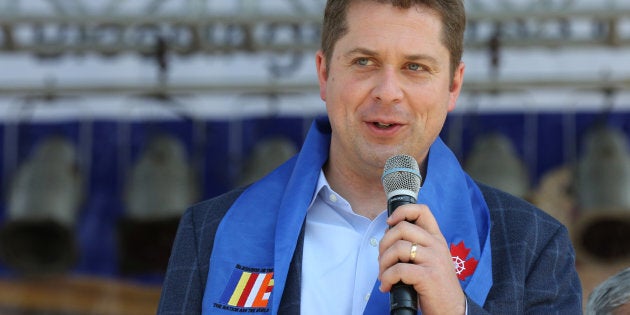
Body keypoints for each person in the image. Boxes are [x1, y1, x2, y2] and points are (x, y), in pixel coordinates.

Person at [158, 0, 582, 314]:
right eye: (364, 62)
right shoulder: (209, 231)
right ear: (325, 74)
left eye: (416, 67)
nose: (387, 91)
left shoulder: (534, 244)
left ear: (453, 86)